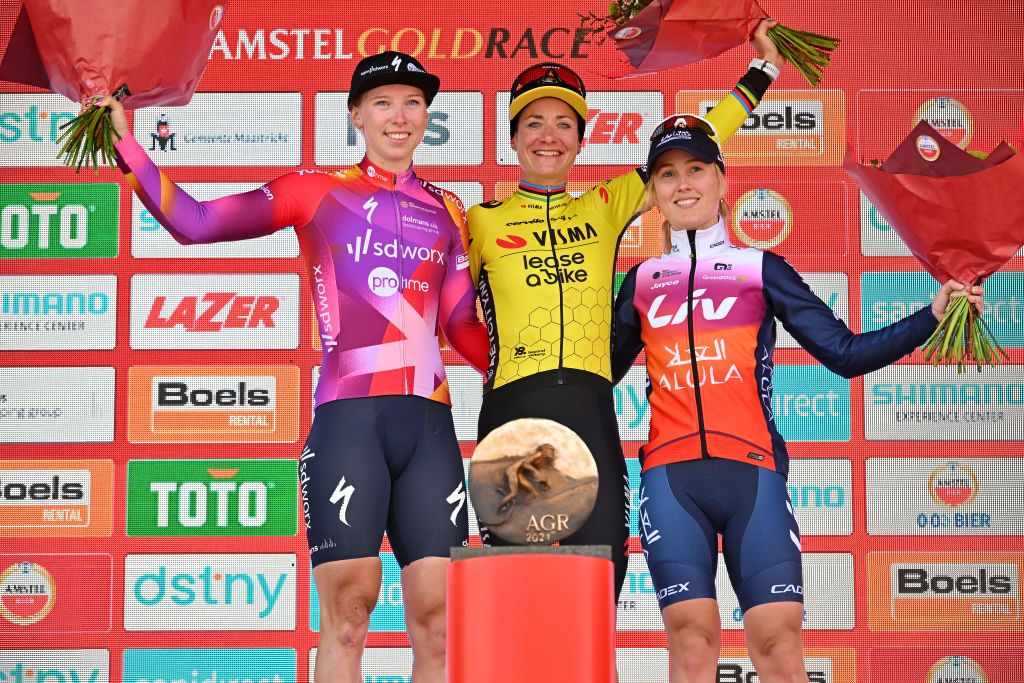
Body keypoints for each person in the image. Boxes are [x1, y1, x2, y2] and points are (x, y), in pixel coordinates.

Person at [97, 51, 487, 683]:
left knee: (441, 624)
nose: (399, 116)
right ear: (357, 114)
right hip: (348, 424)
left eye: (413, 103)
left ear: (427, 118)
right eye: (383, 102)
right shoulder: (315, 188)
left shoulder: (450, 210)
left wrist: (535, 375)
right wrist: (127, 145)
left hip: (429, 432)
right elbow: (196, 224)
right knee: (349, 614)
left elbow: (463, 325)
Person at [611, 115, 985, 683]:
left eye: (695, 169)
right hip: (669, 479)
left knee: (779, 645)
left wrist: (930, 316)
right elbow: (596, 377)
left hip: (753, 473)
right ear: (653, 191)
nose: (682, 184)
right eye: (667, 175)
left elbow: (846, 353)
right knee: (691, 643)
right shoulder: (639, 280)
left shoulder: (759, 269)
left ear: (720, 179)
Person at [465, 21, 785, 601]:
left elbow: (695, 139)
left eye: (564, 123)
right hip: (514, 412)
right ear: (512, 138)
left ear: (581, 140)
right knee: (518, 594)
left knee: (600, 582)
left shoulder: (606, 205)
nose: (549, 135)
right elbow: (448, 310)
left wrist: (761, 72)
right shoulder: (480, 222)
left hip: (589, 406)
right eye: (533, 121)